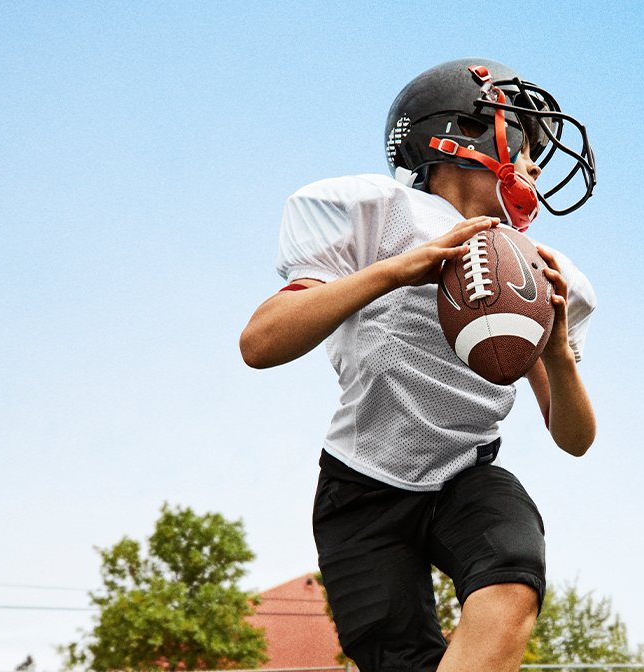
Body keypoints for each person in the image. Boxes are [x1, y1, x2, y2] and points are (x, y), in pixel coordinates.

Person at [240, 57, 599, 672]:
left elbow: (575, 439)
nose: (537, 163)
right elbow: (260, 343)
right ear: (458, 131)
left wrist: (559, 356)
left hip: (465, 470)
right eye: (525, 140)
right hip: (361, 483)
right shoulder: (378, 213)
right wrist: (398, 269)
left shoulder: (543, 268)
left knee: (512, 577)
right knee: (398, 658)